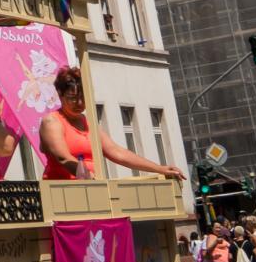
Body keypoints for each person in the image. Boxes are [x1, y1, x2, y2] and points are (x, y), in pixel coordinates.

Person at [38, 66, 186, 183]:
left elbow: (117, 152)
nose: (79, 103)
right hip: (62, 192)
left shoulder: (88, 123)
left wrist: (160, 169)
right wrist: (88, 177)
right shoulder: (52, 122)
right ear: (59, 93)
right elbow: (63, 158)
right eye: (72, 98)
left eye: (83, 98)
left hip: (91, 189)